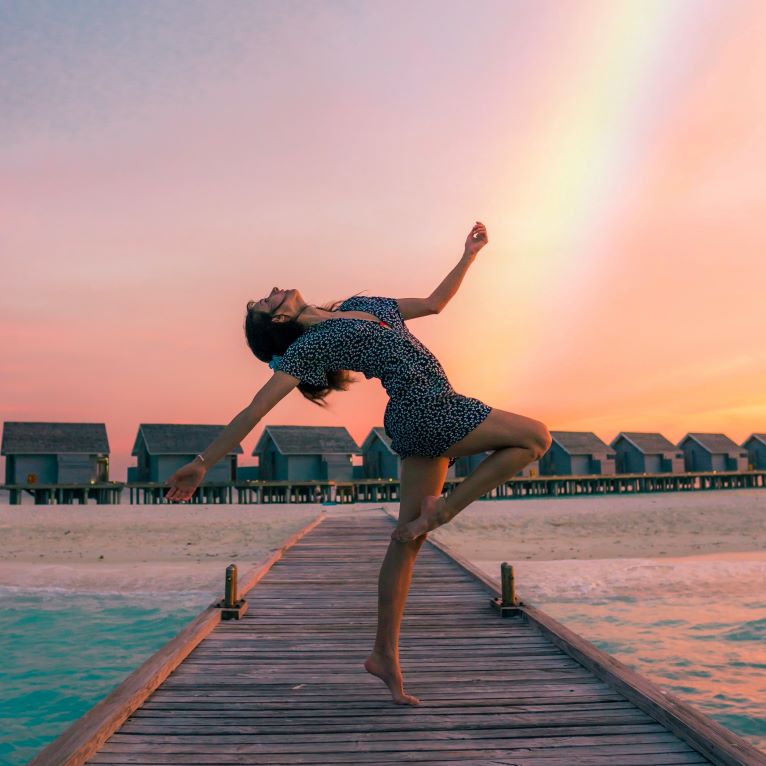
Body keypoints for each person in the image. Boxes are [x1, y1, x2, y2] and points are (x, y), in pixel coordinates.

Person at [165, 221, 552, 705]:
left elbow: (434, 304)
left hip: (420, 416)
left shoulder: (363, 306)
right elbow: (255, 410)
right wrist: (203, 463)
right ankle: (445, 510)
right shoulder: (313, 346)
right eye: (268, 301)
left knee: (407, 539)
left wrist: (469, 255)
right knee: (536, 437)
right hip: (428, 409)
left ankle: (383, 654)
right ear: (279, 322)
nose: (273, 291)